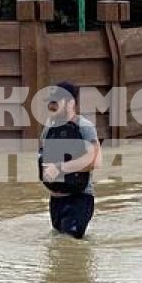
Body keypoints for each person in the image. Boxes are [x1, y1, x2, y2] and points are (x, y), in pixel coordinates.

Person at [39, 81, 100, 239]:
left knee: (68, 242)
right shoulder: (48, 128)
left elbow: (93, 162)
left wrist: (60, 168)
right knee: (58, 247)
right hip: (56, 199)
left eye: (55, 102)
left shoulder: (85, 127)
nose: (51, 106)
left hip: (79, 199)